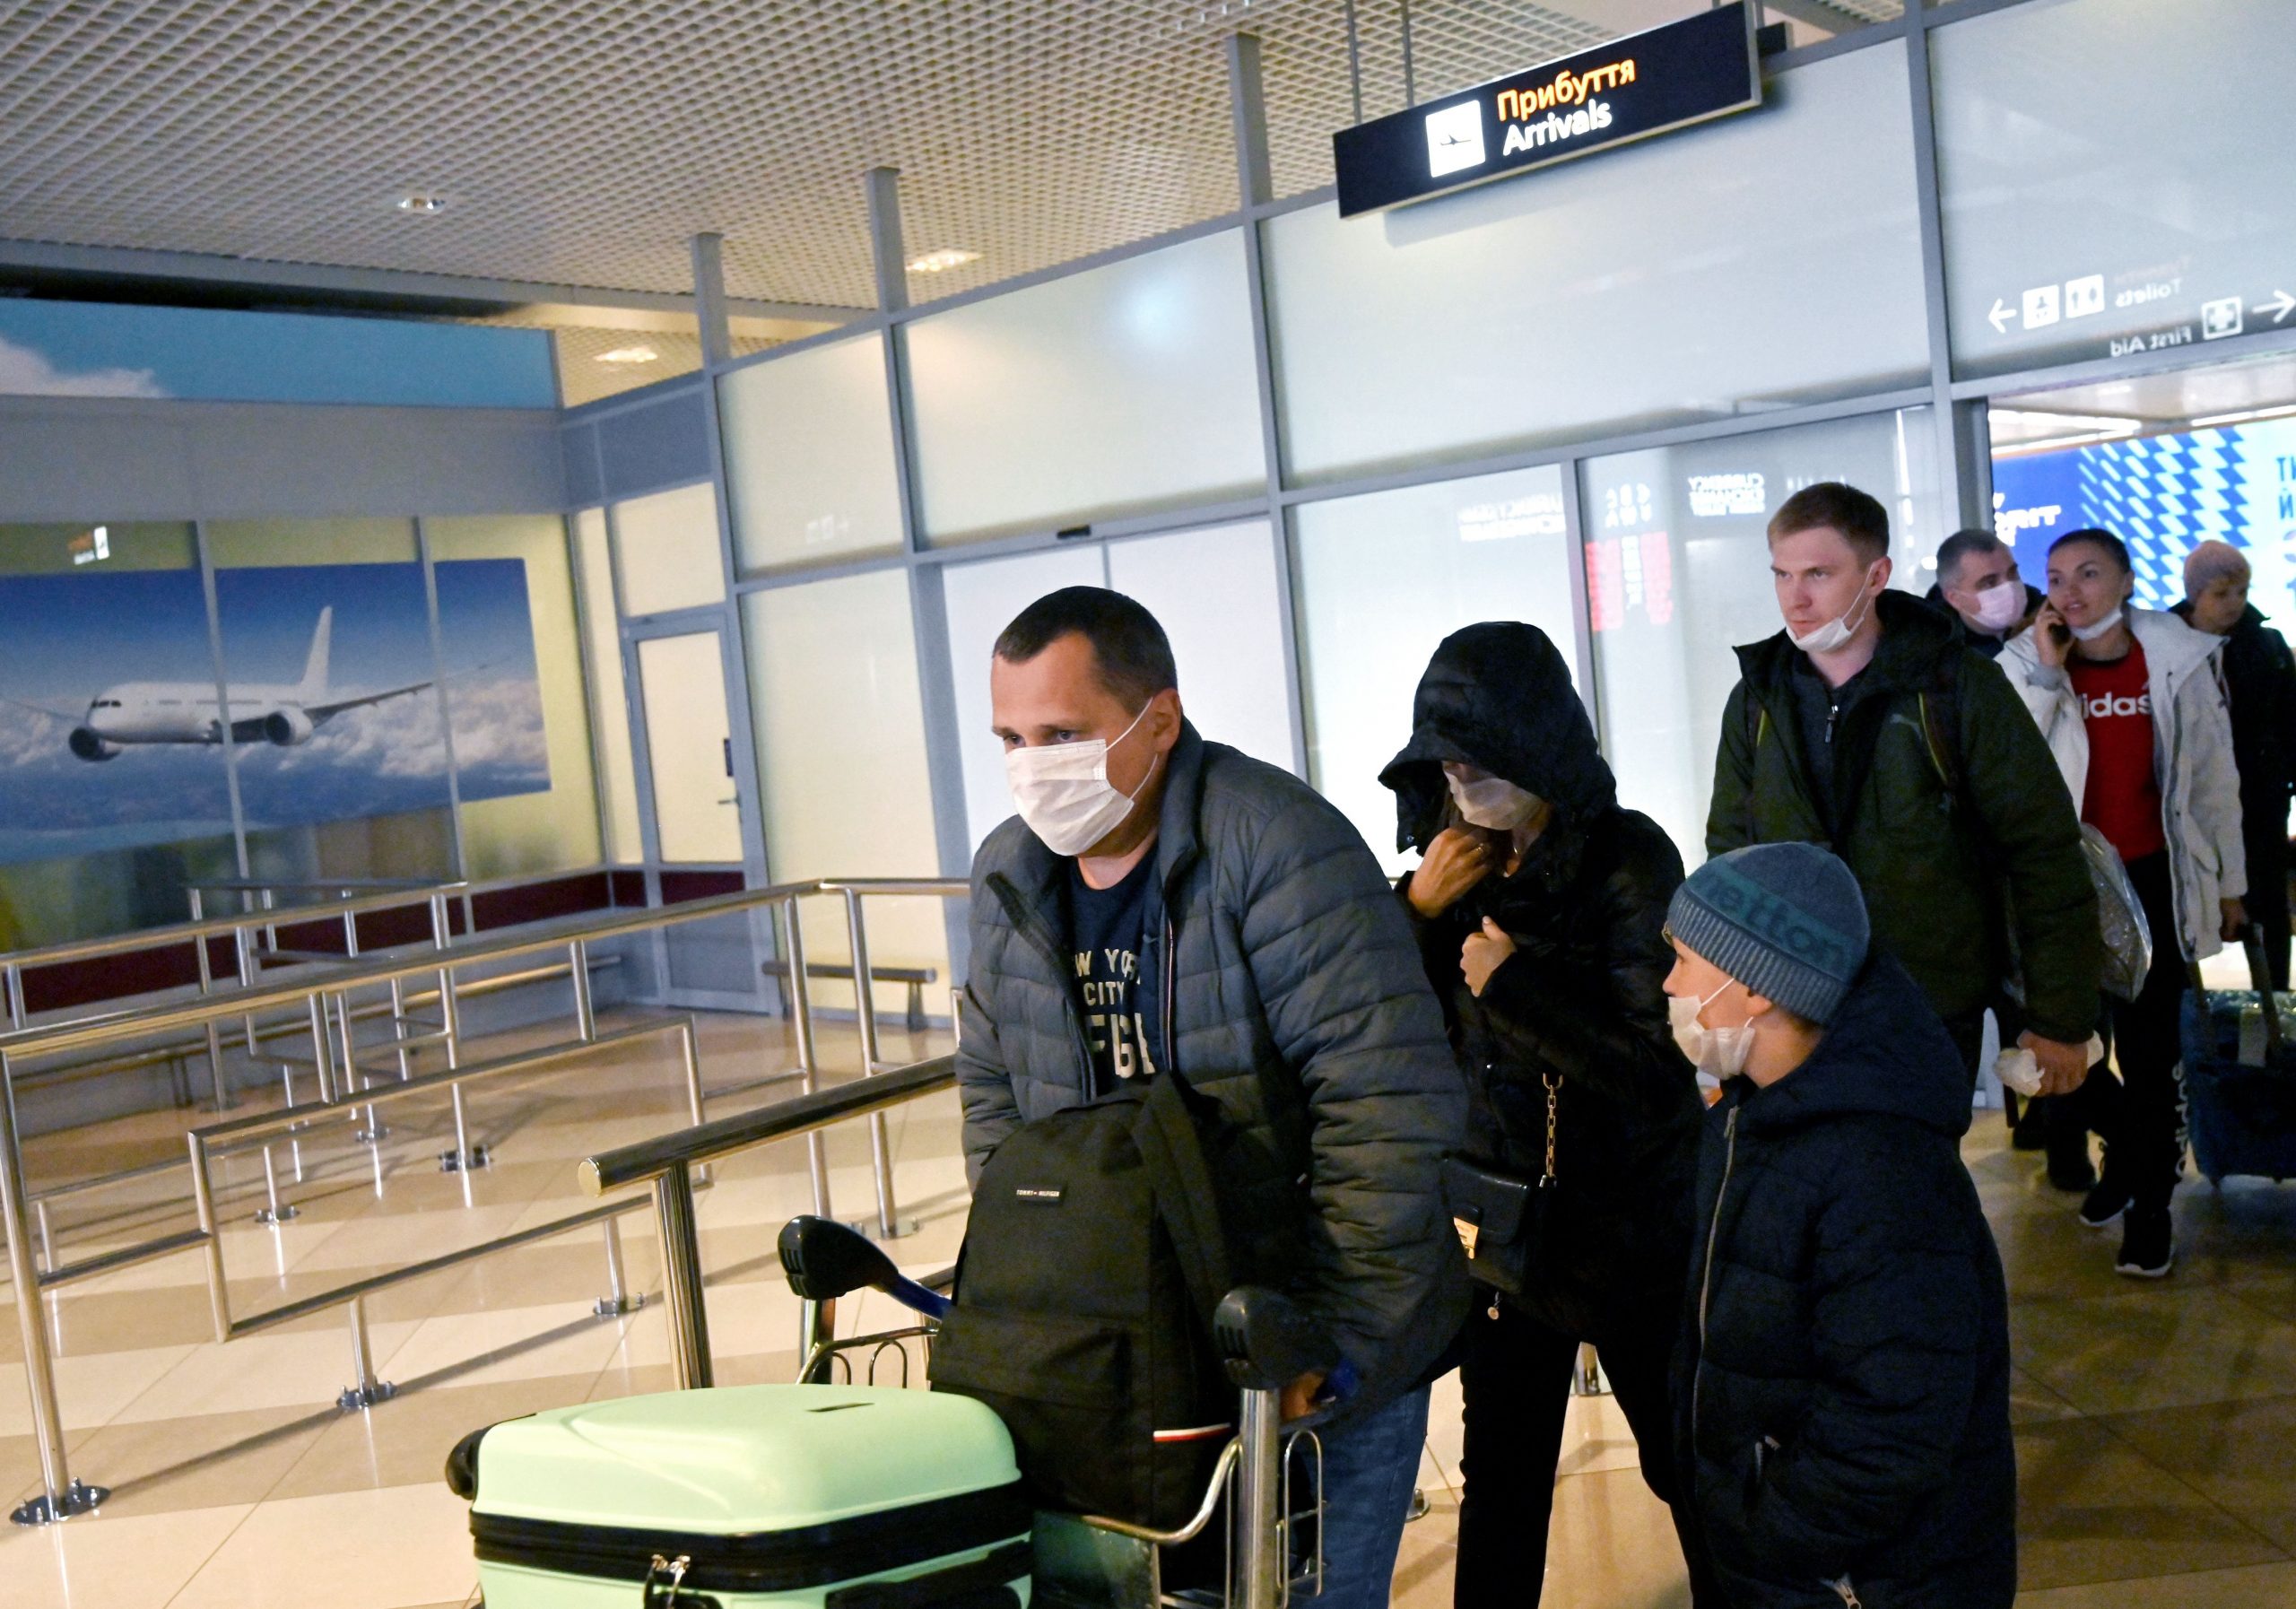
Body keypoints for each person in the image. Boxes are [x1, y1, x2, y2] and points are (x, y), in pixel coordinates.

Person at [955, 587, 1468, 1609]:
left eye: (1062, 733)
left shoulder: (1280, 847)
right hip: (1132, 1361)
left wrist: (1333, 1340)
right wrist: (1046, 1293)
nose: (1031, 767)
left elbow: (1386, 1105)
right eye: (1011, 737)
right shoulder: (1010, 872)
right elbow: (993, 1099)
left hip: (1305, 1348)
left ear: (1158, 720)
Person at [1378, 622, 1717, 1608]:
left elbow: (1658, 1069)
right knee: (1504, 1481)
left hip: (1626, 1222)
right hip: (1505, 1224)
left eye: (1484, 761)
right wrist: (1415, 912)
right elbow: (1390, 1026)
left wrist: (1516, 985)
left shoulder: (1625, 859)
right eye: (1449, 765)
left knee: (1681, 1458)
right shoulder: (1454, 865)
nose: (1466, 784)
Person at [1665, 842, 2017, 1609]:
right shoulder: (1750, 1115)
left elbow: (1893, 1422)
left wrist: (1774, 1534)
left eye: (1685, 962)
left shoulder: (1879, 1169)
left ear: (1753, 984)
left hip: (1860, 1579)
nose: (1670, 985)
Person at [1707, 481, 2102, 1100]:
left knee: (1908, 1184)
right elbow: (1730, 854)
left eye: (1818, 573)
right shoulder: (1759, 696)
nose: (1796, 599)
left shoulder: (1959, 688)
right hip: (1790, 1004)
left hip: (1926, 1004)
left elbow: (2042, 851)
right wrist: (1722, 994)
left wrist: (2059, 1018)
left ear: (1875, 575)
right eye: (1782, 575)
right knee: (1800, 1184)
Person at [2000, 529, 2246, 1277]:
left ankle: (2151, 1210)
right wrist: (2046, 677)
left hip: (2153, 881)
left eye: (2089, 574)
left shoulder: (2176, 658)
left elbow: (2212, 781)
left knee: (2150, 1055)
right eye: (2056, 577)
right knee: (2065, 1052)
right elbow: (2013, 779)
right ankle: (2128, 1165)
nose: (2070, 592)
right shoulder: (2023, 667)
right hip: (2061, 891)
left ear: (2128, 581)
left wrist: (2231, 884)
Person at [2176, 539, 2296, 987]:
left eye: (2241, 592)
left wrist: (2284, 775)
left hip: (2259, 798)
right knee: (2187, 910)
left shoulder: (2266, 646)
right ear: (2194, 594)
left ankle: (2279, 1011)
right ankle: (2187, 1023)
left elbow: (2289, 719)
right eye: (2221, 594)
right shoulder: (2163, 646)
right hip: (2189, 799)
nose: (2234, 604)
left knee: (2268, 909)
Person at [1926, 526, 2044, 659]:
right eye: (1990, 582)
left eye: (2012, 573)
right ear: (1955, 599)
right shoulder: (1936, 656)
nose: (2009, 588)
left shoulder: (2049, 616)